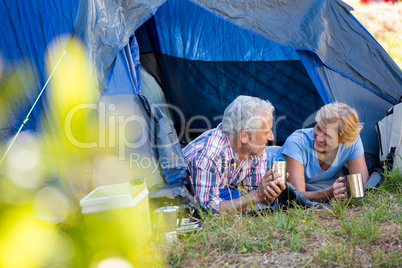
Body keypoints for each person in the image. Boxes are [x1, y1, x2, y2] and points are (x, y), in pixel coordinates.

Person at [183, 95, 286, 214]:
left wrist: (269, 193)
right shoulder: (208, 155)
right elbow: (208, 208)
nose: (271, 137)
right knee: (230, 196)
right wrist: (257, 195)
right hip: (184, 197)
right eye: (266, 132)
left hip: (223, 190)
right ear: (244, 136)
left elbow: (253, 192)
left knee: (243, 197)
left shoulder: (255, 149)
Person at [269, 102, 369, 203]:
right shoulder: (296, 143)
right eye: (318, 128)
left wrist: (345, 195)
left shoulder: (352, 142)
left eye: (328, 135)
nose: (319, 138)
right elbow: (297, 196)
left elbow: (362, 183)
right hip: (260, 163)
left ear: (344, 139)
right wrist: (329, 193)